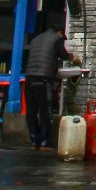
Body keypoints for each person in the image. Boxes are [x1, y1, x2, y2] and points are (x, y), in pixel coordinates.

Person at [21, 9, 76, 150]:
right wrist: (72, 57)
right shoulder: (56, 39)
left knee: (32, 111)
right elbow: (63, 55)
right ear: (59, 32)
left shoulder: (36, 39)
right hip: (43, 79)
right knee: (45, 110)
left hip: (29, 78)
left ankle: (34, 141)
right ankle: (45, 141)